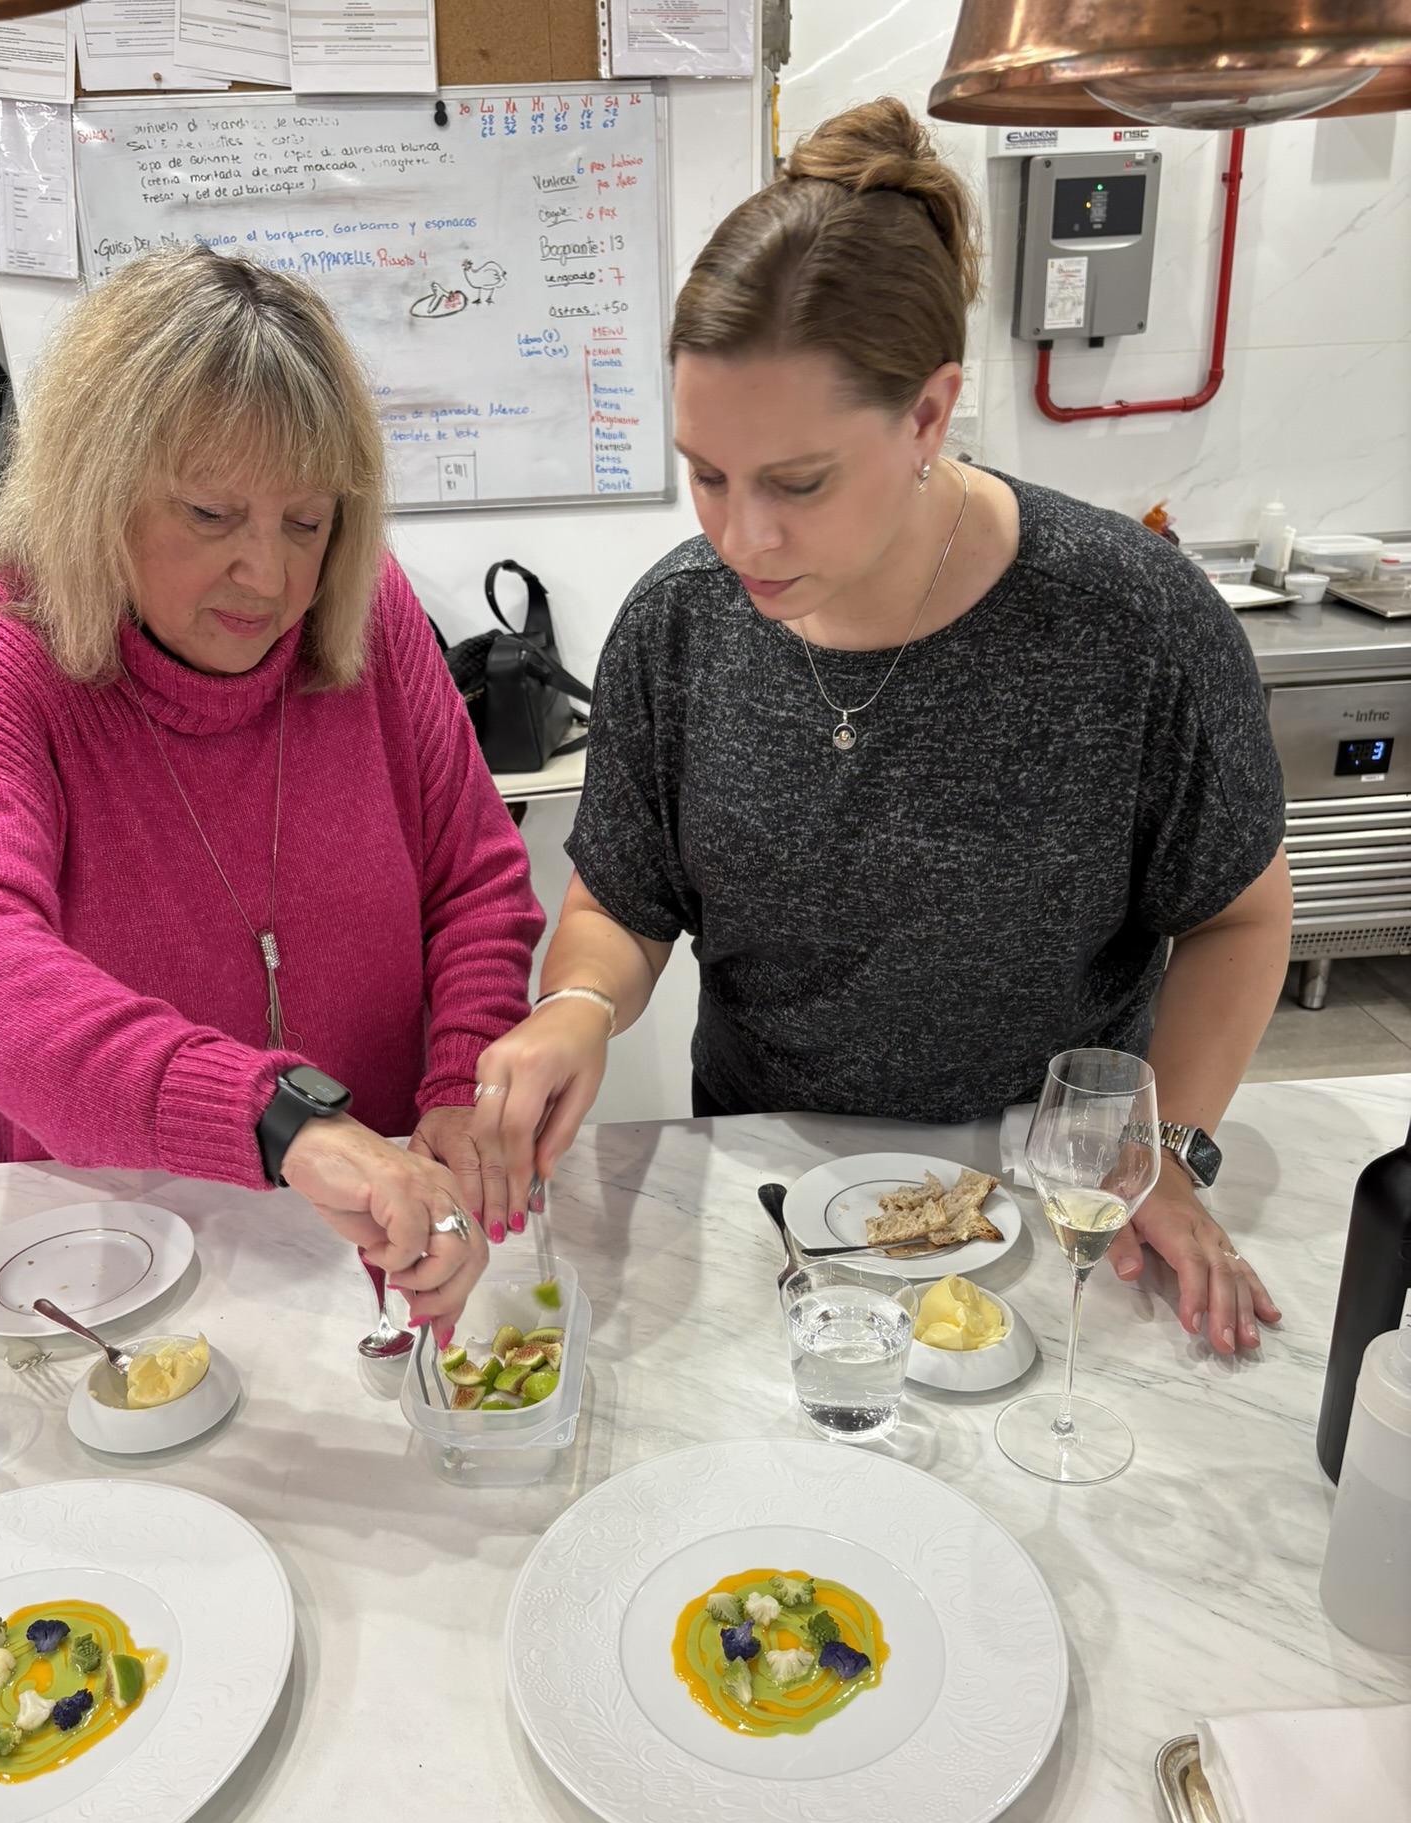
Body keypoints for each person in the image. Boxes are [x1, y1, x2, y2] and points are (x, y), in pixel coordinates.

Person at [471, 99, 1292, 1358]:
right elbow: (622, 909)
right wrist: (577, 1003)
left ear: (926, 414)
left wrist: (1162, 1149)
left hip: (1051, 1194)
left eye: (796, 483)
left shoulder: (1129, 623)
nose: (741, 536)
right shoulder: (680, 626)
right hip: (773, 1190)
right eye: (707, 472)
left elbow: (1237, 915)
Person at [0, 248, 544, 1342]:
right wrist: (274, 1118)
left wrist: (462, 1081)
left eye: (306, 519)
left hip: (375, 1218)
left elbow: (473, 879)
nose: (272, 578)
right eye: (209, 513)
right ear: (95, 485)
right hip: (112, 1254)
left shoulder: (361, 607)